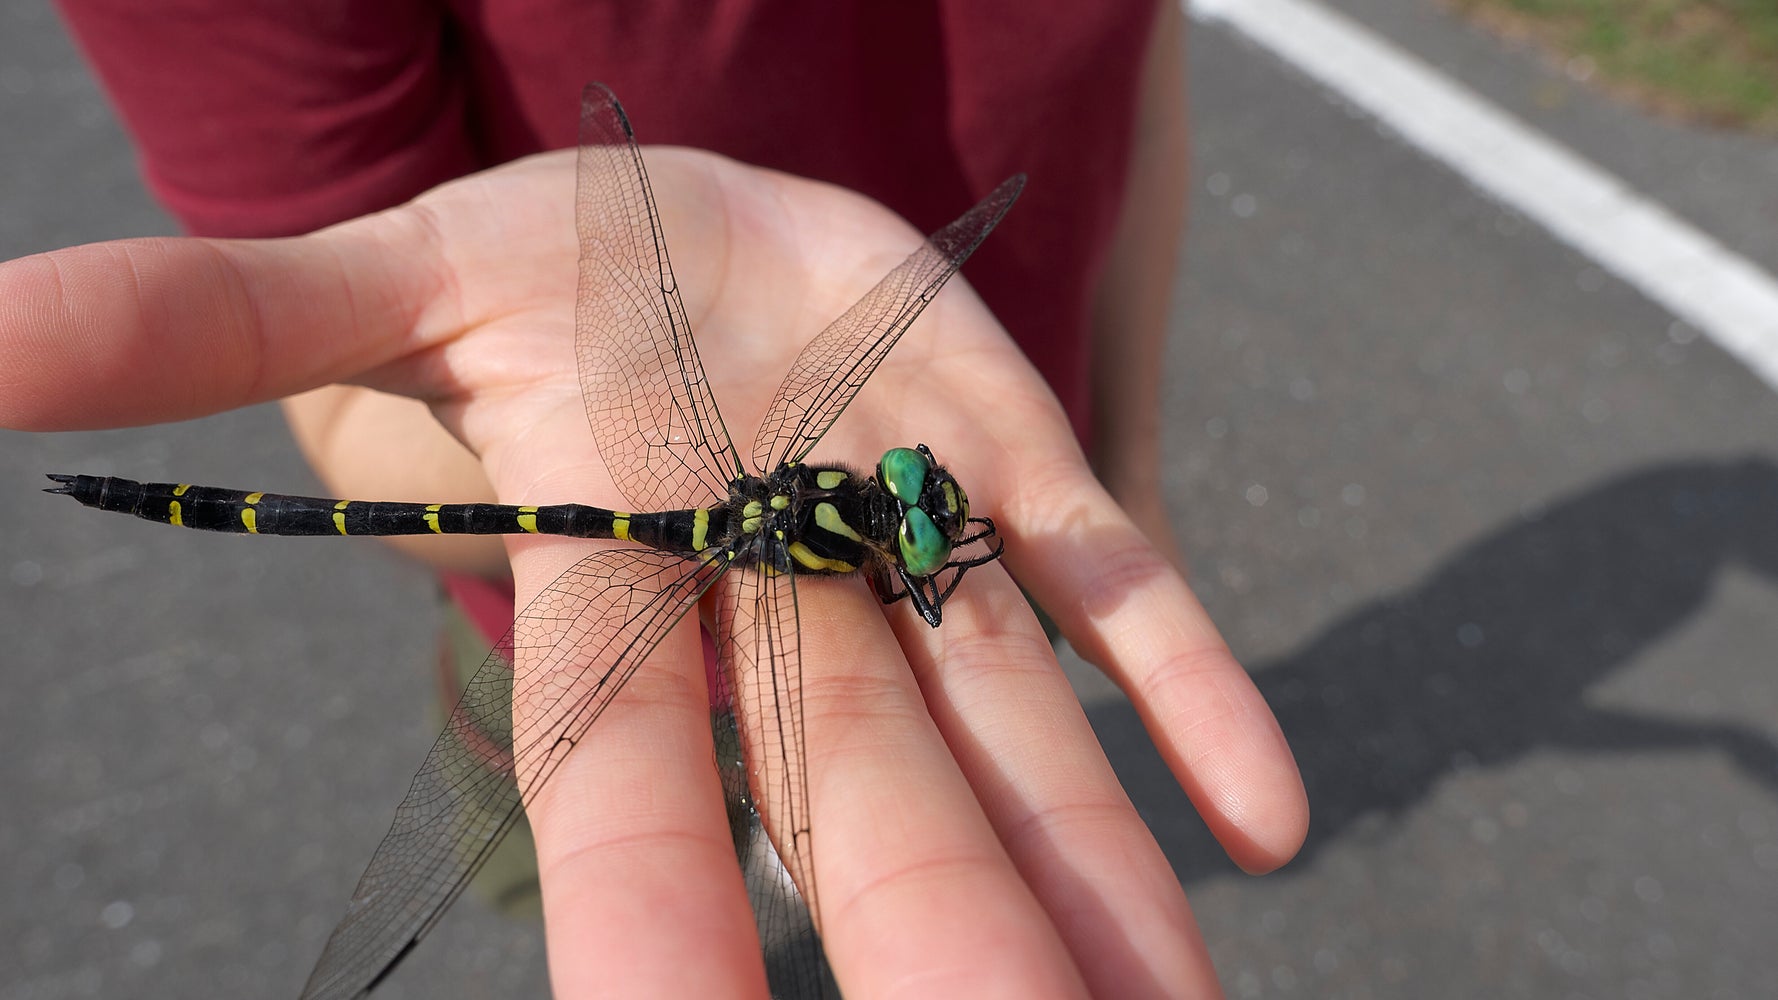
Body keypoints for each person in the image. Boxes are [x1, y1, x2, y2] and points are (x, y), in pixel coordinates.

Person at [6, 1, 1309, 995]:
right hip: (573, 608)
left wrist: (1123, 473)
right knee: (730, 923)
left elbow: (1129, 83)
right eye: (916, 512)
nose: (924, 514)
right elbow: (352, 411)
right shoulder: (867, 540)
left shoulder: (871, 496)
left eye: (915, 506)